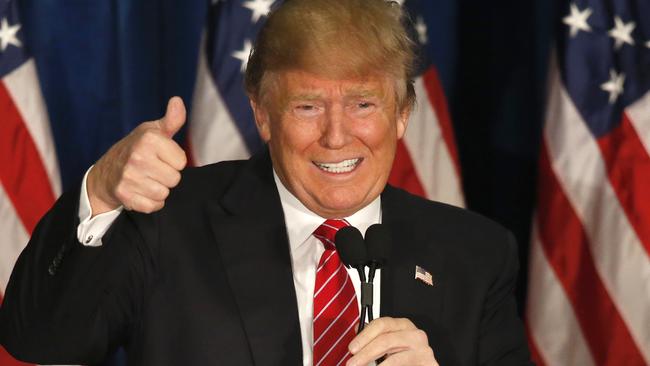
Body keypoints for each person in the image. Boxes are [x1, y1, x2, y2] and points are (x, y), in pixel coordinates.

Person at [0, 0, 532, 365]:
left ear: (401, 115)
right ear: (261, 115)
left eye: (363, 104)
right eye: (307, 106)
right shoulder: (169, 226)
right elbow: (40, 340)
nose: (336, 136)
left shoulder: (476, 256)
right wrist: (101, 191)